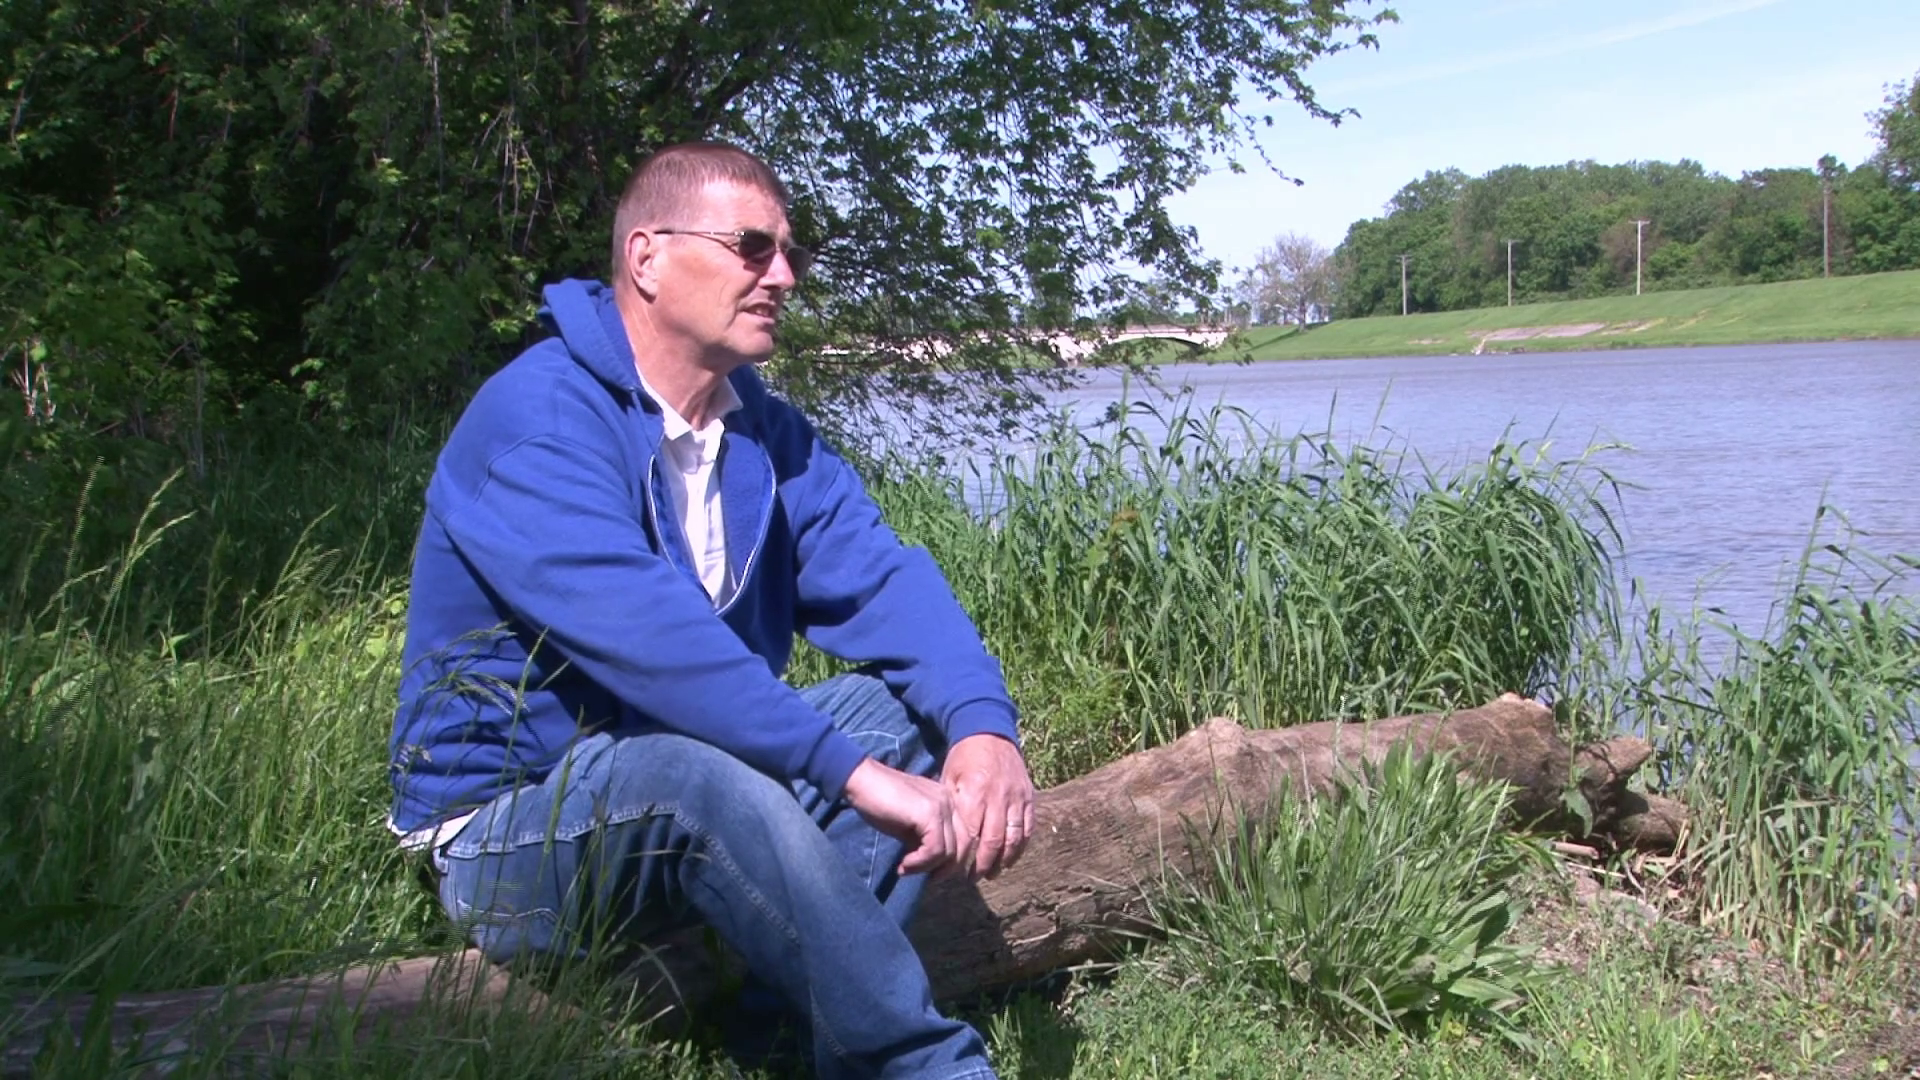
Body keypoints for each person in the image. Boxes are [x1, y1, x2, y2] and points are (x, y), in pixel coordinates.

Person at [386, 141, 1034, 1079]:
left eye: (790, 253)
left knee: (907, 713)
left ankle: (780, 1030)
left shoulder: (763, 433)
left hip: (689, 786)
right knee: (697, 772)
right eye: (752, 247)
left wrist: (983, 729)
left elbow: (883, 584)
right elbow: (656, 643)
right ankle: (922, 1064)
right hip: (512, 830)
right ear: (647, 258)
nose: (784, 276)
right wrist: (849, 776)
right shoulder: (537, 420)